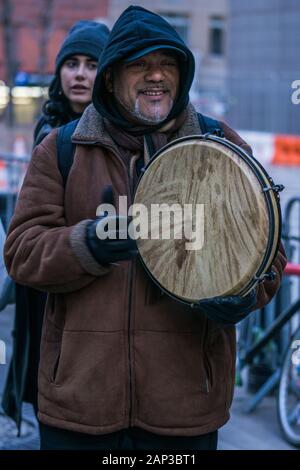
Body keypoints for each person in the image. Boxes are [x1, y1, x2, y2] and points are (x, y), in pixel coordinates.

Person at [4, 6, 286, 450]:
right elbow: (21, 252)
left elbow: (269, 253)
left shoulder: (221, 145)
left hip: (184, 411)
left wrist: (242, 294)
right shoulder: (61, 149)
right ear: (112, 77)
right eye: (140, 64)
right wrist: (90, 244)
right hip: (80, 409)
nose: (156, 75)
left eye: (167, 63)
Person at [1, 19, 109, 432]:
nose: (79, 74)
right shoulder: (48, 127)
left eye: (91, 64)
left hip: (89, 266)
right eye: (71, 64)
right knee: (43, 362)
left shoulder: (114, 133)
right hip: (45, 264)